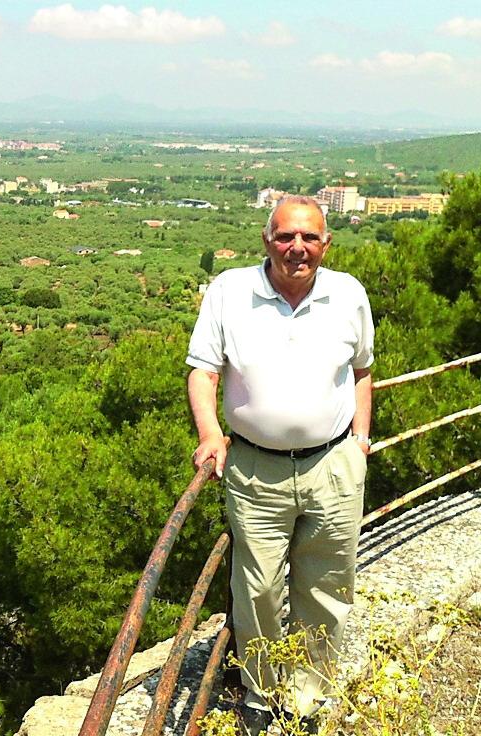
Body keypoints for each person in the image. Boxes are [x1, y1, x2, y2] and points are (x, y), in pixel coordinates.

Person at [186, 195, 373, 732]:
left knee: (327, 587)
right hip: (255, 468)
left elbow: (362, 370)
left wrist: (360, 441)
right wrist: (210, 435)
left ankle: (308, 698)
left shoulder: (348, 295)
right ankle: (261, 695)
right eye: (287, 237)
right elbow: (203, 372)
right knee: (260, 589)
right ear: (267, 240)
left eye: (309, 238)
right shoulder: (229, 292)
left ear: (326, 244)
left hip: (333, 465)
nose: (298, 248)